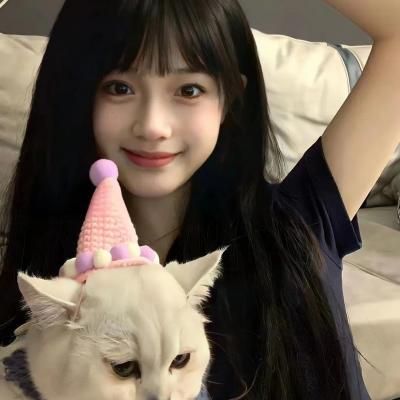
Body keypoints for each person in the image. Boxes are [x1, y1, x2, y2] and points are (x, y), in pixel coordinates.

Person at [1, 0, 399, 398]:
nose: (153, 126)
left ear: (230, 99)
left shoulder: (299, 223)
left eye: (189, 90)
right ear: (76, 97)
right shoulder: (49, 285)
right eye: (119, 88)